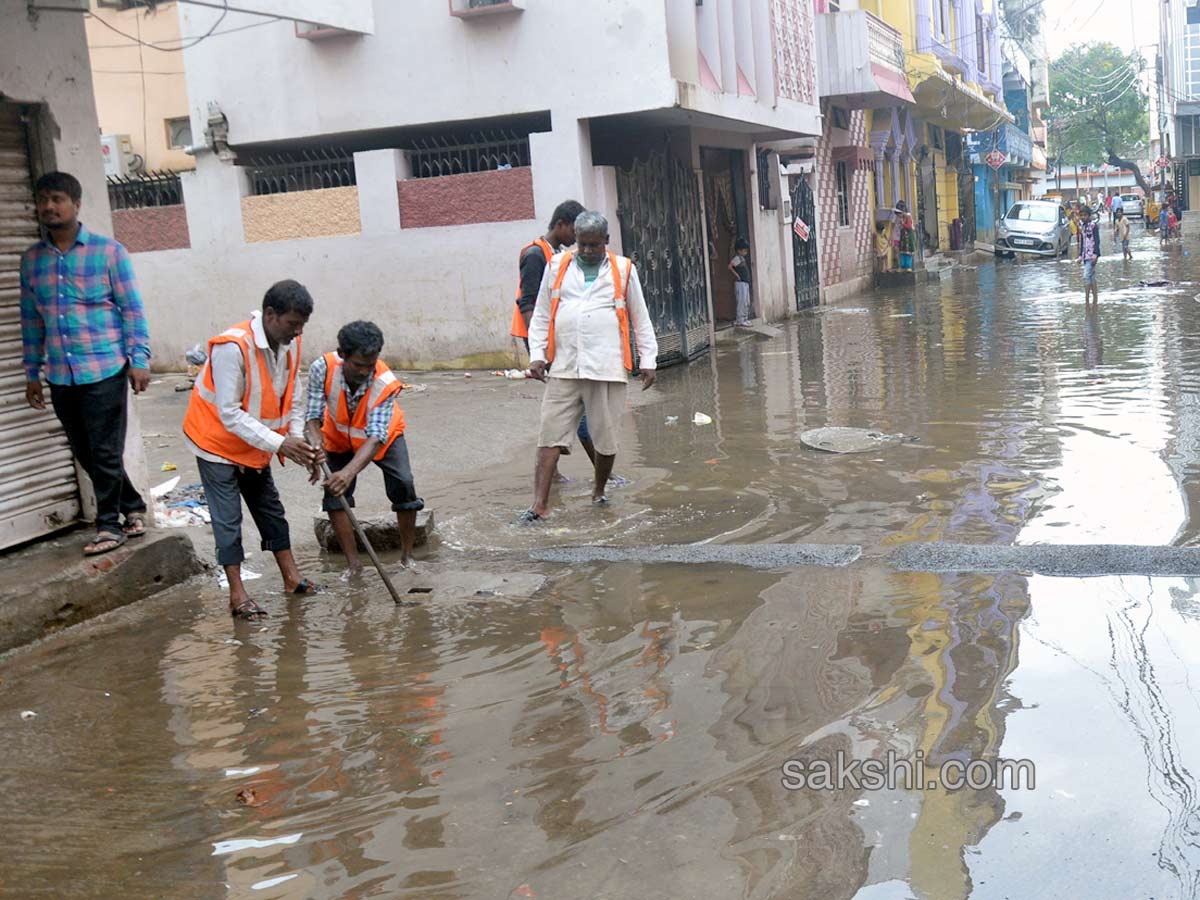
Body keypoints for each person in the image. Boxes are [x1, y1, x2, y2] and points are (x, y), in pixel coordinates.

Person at [20, 171, 151, 557]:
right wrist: (33, 372)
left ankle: (109, 526)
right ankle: (131, 505)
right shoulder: (32, 261)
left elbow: (132, 310)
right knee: (85, 450)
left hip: (105, 367)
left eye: (57, 199)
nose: (49, 207)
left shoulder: (109, 252)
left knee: (105, 451)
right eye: (43, 199)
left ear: (76, 204)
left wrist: (139, 360)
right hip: (61, 373)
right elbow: (31, 320)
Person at [182, 280, 322, 620]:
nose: (298, 332)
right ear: (271, 315)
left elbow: (295, 397)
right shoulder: (233, 347)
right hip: (217, 443)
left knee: (270, 510)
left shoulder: (289, 344)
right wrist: (280, 442)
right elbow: (229, 413)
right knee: (228, 518)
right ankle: (237, 594)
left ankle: (292, 578)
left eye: (302, 325)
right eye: (292, 324)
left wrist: (296, 441)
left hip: (255, 443)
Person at [520, 211, 658, 522]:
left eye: (593, 245)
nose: (586, 251)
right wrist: (537, 354)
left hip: (606, 365)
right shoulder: (557, 266)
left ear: (606, 241)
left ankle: (599, 491)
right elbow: (542, 313)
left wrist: (648, 359)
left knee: (605, 438)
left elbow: (641, 317)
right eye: (581, 245)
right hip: (565, 365)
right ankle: (539, 506)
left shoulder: (623, 269)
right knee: (549, 434)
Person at [305, 320, 424, 572]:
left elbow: (376, 435)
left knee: (404, 484)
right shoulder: (322, 368)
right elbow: (312, 416)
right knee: (335, 494)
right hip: (337, 437)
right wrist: (315, 447)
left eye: (370, 365)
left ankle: (407, 556)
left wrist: (348, 473)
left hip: (381, 440)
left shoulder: (384, 380)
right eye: (358, 365)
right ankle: (354, 564)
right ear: (342, 355)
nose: (364, 372)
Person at [511, 199, 595, 468]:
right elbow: (528, 304)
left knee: (561, 407)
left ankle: (558, 473)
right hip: (545, 343)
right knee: (573, 404)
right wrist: (540, 350)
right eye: (575, 232)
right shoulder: (536, 255)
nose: (577, 239)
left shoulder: (553, 254)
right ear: (561, 224)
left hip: (555, 341)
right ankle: (601, 473)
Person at [1077, 205, 1101, 305]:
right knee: (1091, 277)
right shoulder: (1082, 227)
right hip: (1085, 256)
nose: (1083, 217)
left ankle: (1087, 299)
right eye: (1081, 215)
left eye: (1085, 215)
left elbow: (1097, 240)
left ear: (1089, 215)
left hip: (1092, 256)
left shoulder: (1093, 226)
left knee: (1086, 276)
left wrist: (1096, 254)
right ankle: (1095, 299)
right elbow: (1082, 242)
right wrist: (1080, 256)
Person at [728, 237, 754, 326]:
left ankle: (745, 318)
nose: (745, 252)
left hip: (745, 282)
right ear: (739, 250)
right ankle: (740, 320)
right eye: (744, 250)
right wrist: (737, 275)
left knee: (746, 301)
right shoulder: (737, 258)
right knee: (741, 302)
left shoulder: (742, 258)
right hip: (740, 283)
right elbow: (730, 266)